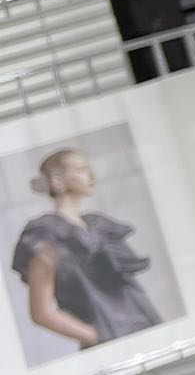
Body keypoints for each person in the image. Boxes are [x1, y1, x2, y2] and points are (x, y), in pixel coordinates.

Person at [12, 147, 162, 352]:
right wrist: (98, 336)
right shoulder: (45, 234)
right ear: (57, 181)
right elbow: (42, 312)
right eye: (81, 169)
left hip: (146, 326)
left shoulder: (100, 227)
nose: (91, 176)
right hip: (111, 345)